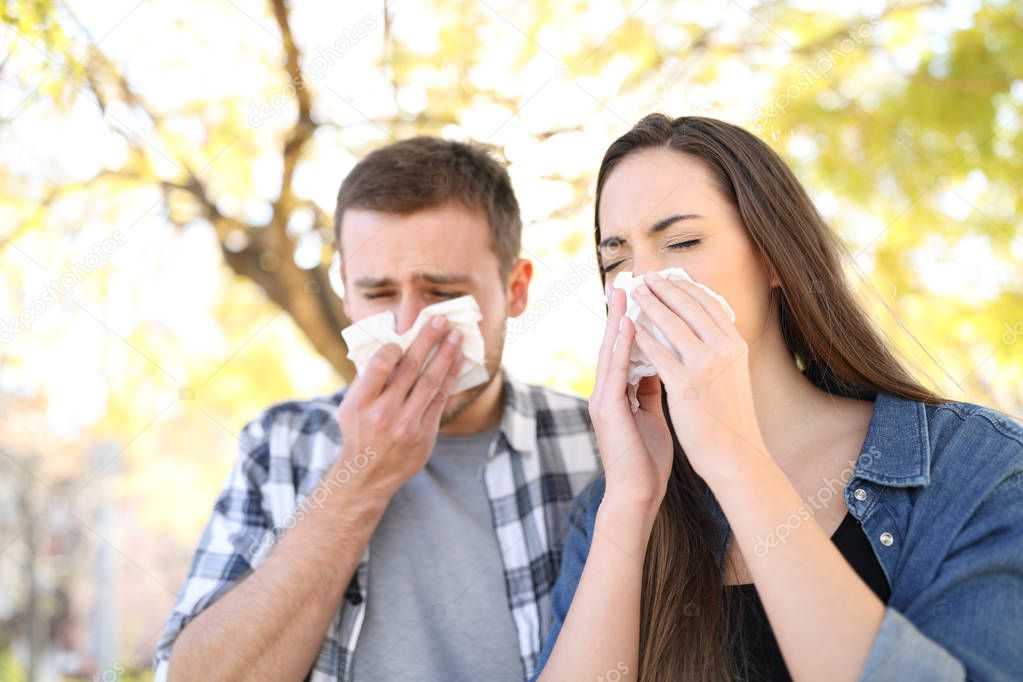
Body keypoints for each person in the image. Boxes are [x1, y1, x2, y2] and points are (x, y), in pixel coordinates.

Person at [532, 114, 1023, 681]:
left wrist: (737, 458)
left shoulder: (978, 466)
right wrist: (630, 501)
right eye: (615, 259)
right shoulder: (609, 509)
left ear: (771, 256)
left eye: (682, 242)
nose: (640, 280)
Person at [154, 137, 600, 681]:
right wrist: (359, 477)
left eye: (441, 293)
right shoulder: (280, 446)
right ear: (346, 291)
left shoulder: (600, 444)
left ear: (516, 288)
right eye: (379, 293)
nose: (409, 329)